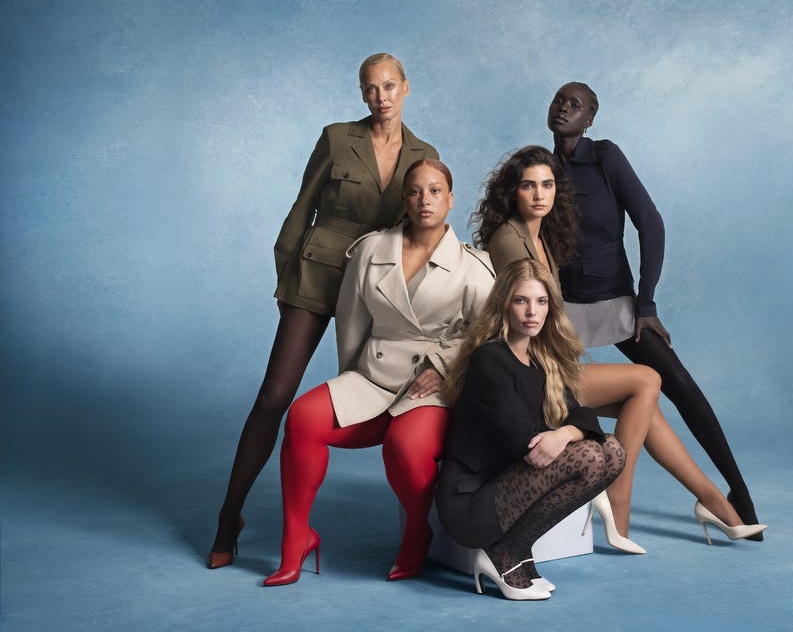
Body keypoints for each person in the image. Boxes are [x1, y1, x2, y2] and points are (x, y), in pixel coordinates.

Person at [208, 53, 439, 569]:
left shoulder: (424, 153)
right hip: (317, 275)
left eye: (388, 87)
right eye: (370, 89)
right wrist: (287, 274)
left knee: (374, 390)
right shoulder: (337, 138)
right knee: (274, 395)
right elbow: (302, 207)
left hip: (377, 286)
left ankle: (418, 522)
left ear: (406, 88)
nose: (380, 97)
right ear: (361, 95)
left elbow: (421, 227)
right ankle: (229, 515)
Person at [475, 146, 766, 548]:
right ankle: (618, 499)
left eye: (547, 185)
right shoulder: (510, 241)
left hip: (546, 367)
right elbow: (523, 319)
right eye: (528, 186)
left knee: (645, 407)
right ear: (512, 192)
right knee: (646, 379)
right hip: (528, 378)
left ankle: (713, 502)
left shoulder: (540, 234)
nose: (540, 195)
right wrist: (564, 359)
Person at [262, 159, 495, 586]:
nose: (425, 201)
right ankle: (297, 538)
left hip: (433, 384)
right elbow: (351, 324)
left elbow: (489, 335)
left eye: (435, 191)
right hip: (373, 375)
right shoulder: (370, 250)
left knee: (405, 448)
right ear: (404, 198)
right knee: (301, 418)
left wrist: (444, 369)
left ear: (450, 198)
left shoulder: (474, 267)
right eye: (415, 192)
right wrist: (349, 383)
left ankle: (415, 530)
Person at [547, 82, 763, 538]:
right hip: (563, 309)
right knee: (568, 399)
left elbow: (651, 221)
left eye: (576, 104)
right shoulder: (541, 170)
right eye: (559, 100)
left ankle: (738, 493)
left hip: (618, 301)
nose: (564, 108)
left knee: (679, 383)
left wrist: (645, 302)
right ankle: (595, 498)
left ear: (590, 119)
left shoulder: (606, 156)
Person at [437, 259, 625, 600]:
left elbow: (583, 416)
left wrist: (565, 433)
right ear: (504, 304)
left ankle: (514, 549)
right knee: (590, 458)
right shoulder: (490, 359)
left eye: (541, 301)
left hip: (507, 485)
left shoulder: (541, 360)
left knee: (612, 452)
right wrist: (565, 434)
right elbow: (526, 444)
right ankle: (503, 553)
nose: (531, 312)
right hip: (470, 502)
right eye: (521, 300)